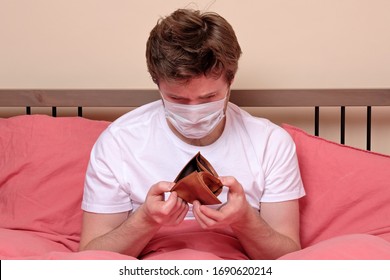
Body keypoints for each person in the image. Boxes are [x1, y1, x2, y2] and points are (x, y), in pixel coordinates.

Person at [79, 8, 305, 260]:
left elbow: (288, 257)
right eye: (177, 98)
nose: (194, 112)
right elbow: (90, 256)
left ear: (230, 82)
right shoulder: (119, 141)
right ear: (157, 83)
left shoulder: (271, 143)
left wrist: (244, 220)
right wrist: (145, 220)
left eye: (209, 97)